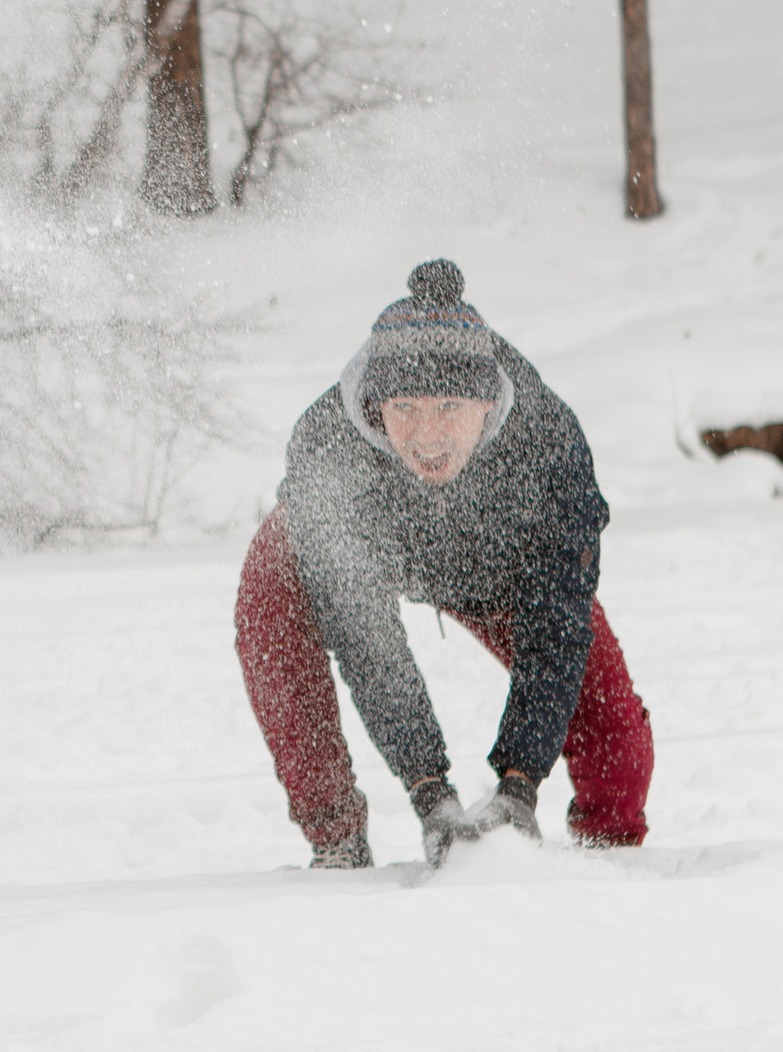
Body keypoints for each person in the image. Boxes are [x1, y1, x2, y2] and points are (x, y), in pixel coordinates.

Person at [233, 260, 654, 869]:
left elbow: (557, 628)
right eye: (404, 406)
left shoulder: (547, 445)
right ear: (377, 404)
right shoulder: (327, 452)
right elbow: (367, 642)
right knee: (270, 581)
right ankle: (336, 842)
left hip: (497, 570)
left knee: (612, 729)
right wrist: (428, 791)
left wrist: (519, 784)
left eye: (450, 406)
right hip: (388, 551)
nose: (427, 436)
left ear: (488, 401)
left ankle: (608, 862)